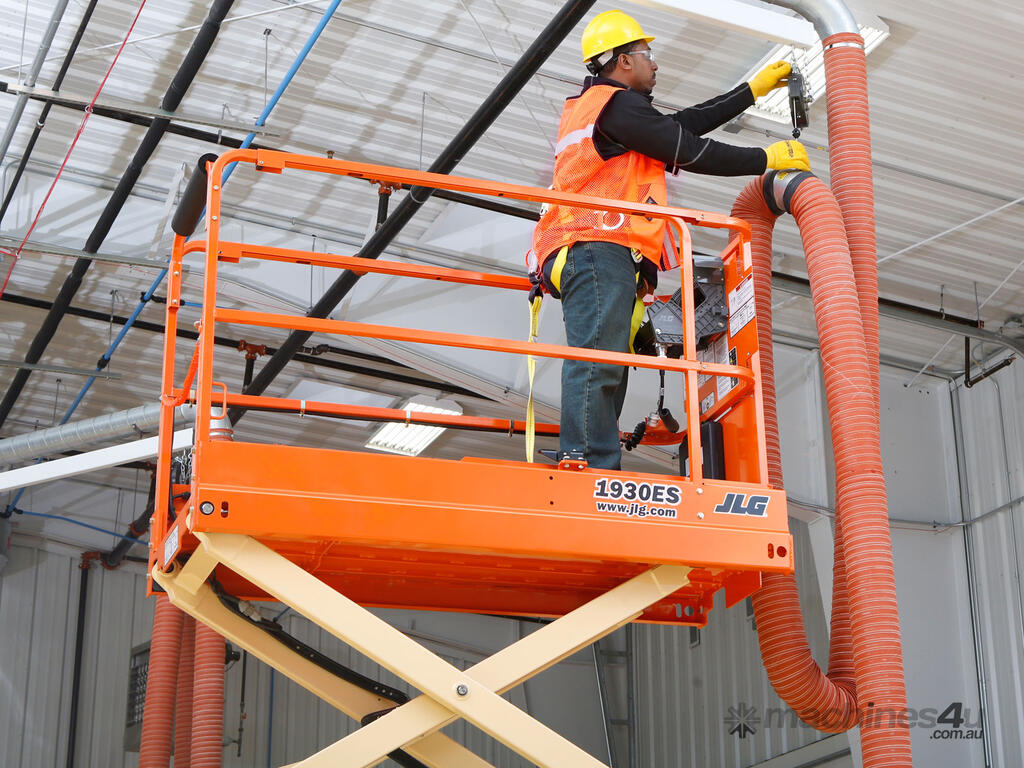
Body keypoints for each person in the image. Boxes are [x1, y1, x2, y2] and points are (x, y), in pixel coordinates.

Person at [530, 9, 810, 470]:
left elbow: (680, 129)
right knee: (598, 359)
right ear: (621, 61)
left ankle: (594, 458)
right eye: (647, 54)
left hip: (602, 249)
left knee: (608, 362)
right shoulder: (613, 107)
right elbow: (688, 149)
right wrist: (767, 157)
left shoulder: (611, 109)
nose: (654, 64)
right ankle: (582, 459)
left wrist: (749, 93)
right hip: (594, 245)